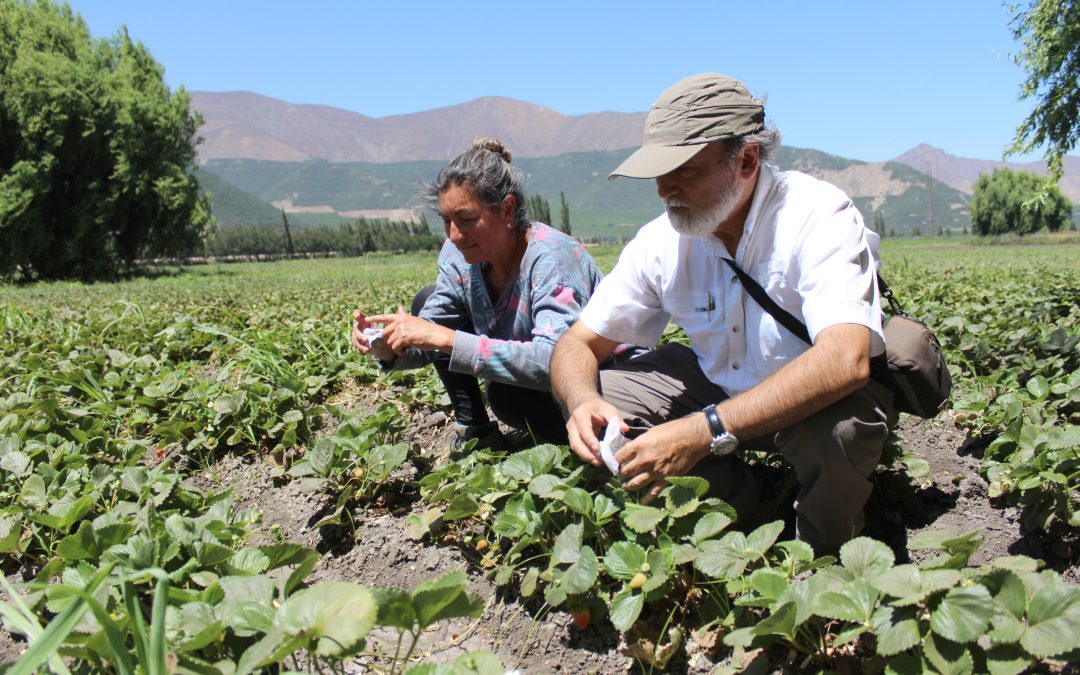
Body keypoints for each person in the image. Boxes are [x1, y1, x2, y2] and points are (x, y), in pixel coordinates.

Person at [550, 74, 896, 554]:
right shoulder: (661, 240)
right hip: (722, 391)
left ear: (747, 160)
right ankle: (748, 514)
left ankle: (819, 557)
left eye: (684, 170)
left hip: (809, 404)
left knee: (838, 432)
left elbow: (845, 360)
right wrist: (581, 401)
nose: (664, 188)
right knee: (606, 395)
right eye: (657, 171)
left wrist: (702, 430)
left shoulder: (816, 215)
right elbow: (577, 344)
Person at [351, 137, 611, 449]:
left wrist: (447, 339)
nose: (455, 235)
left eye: (467, 219)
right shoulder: (457, 256)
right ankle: (475, 427)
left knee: (507, 396)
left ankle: (588, 442)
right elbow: (428, 337)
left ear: (507, 209)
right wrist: (387, 345)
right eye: (446, 221)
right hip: (531, 382)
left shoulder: (551, 258)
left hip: (598, 383)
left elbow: (557, 361)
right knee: (426, 300)